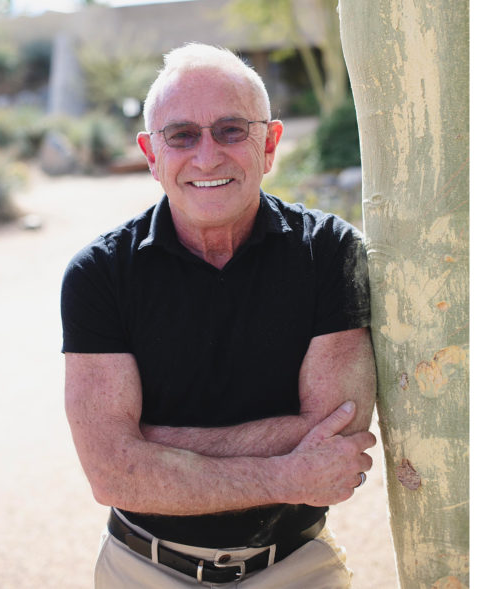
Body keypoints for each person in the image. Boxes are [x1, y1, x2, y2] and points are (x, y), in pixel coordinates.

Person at [62, 43, 376, 588]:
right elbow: (113, 473)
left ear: (270, 143)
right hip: (143, 569)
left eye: (232, 130)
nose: (207, 156)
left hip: (296, 569)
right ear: (151, 155)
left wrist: (153, 446)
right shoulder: (99, 274)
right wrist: (289, 472)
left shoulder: (331, 252)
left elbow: (339, 433)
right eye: (181, 136)